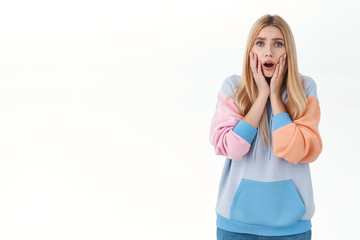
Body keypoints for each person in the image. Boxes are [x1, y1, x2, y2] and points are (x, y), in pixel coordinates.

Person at [209, 14, 322, 240]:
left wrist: (276, 99)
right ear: (251, 50)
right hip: (235, 226)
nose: (269, 52)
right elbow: (231, 148)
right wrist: (261, 97)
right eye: (260, 43)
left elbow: (296, 150)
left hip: (291, 228)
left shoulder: (304, 88)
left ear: (288, 51)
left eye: (278, 44)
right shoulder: (233, 87)